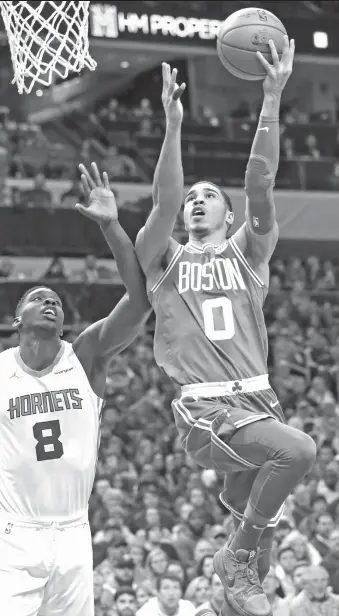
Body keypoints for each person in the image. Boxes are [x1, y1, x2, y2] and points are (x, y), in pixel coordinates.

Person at [135, 39, 317, 616]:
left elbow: (260, 184)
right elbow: (162, 202)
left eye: (209, 196)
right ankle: (231, 556)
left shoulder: (249, 255)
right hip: (207, 409)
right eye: (192, 196)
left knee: (257, 587)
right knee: (300, 452)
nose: (196, 201)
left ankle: (232, 582)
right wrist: (172, 129)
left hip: (259, 400)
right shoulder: (162, 258)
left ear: (228, 215)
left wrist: (271, 97)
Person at [0, 162, 151, 616]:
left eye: (57, 301)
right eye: (38, 298)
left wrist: (111, 226)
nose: (50, 301)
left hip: (73, 532)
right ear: (16, 320)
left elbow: (142, 299)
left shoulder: (84, 357)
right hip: (15, 533)